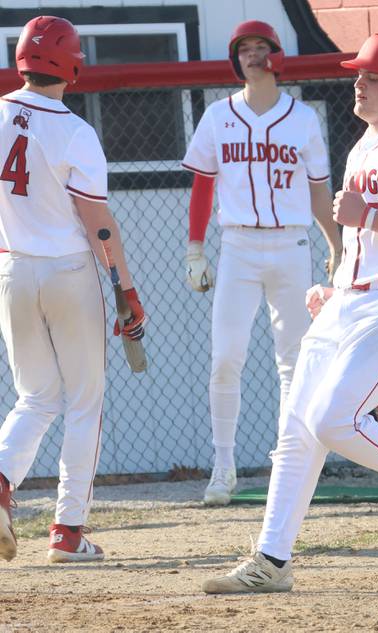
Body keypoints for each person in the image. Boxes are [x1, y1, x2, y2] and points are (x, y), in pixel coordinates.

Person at [200, 32, 378, 594]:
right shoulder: (365, 143)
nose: (357, 83)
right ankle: (272, 560)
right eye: (359, 74)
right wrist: (336, 286)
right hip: (352, 298)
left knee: (333, 420)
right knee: (296, 429)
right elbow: (364, 232)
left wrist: (369, 214)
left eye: (369, 76)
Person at [0, 16, 145, 564]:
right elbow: (98, 223)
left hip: (11, 269)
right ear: (72, 64)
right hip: (67, 272)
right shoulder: (76, 131)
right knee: (85, 402)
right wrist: (126, 290)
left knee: (35, 397)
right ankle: (67, 532)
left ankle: (0, 483)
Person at [181, 20, 342, 506]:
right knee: (226, 356)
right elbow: (203, 185)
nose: (252, 56)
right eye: (244, 49)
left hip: (291, 243)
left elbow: (318, 189)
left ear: (276, 55)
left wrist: (334, 242)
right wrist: (194, 247)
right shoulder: (218, 115)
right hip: (238, 246)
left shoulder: (302, 118)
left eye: (260, 48)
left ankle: (288, 467)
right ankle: (223, 467)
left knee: (292, 360)